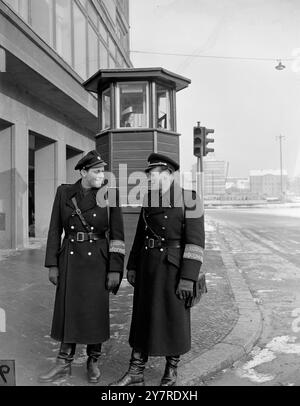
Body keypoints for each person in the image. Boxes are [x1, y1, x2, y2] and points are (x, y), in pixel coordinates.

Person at [110, 153, 206, 387]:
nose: (149, 179)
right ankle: (136, 372)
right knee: (142, 318)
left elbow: (195, 243)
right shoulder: (149, 199)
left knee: (173, 319)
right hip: (148, 267)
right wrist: (132, 265)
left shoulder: (189, 199)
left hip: (173, 270)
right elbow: (141, 236)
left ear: (167, 175)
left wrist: (187, 277)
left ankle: (171, 371)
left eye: (152, 175)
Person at [38, 150, 125, 384]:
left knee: (94, 311)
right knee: (69, 308)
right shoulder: (65, 192)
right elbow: (55, 229)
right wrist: (52, 264)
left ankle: (93, 360)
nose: (101, 174)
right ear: (84, 172)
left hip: (98, 260)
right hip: (70, 258)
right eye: (96, 171)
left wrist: (115, 269)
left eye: (102, 170)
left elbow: (117, 235)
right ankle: (63, 362)